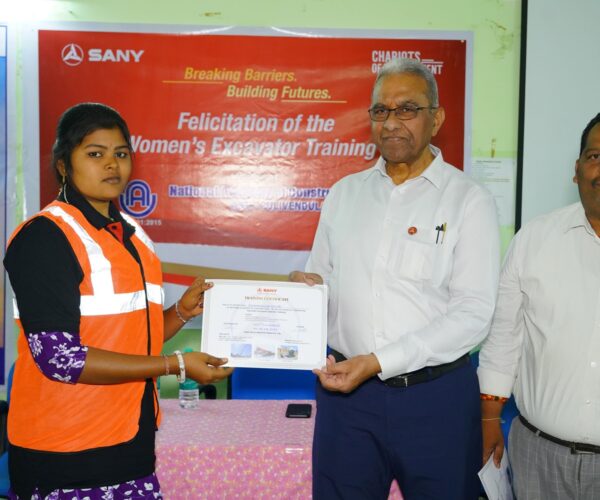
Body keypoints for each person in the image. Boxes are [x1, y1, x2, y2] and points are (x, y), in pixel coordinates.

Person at [290, 57, 500, 499]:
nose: (391, 123)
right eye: (381, 110)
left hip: (435, 400)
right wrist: (305, 295)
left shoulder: (469, 201)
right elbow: (324, 282)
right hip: (348, 402)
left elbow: (473, 314)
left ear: (436, 119)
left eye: (407, 109)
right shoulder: (344, 194)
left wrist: (379, 360)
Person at [3, 102, 233, 499]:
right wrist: (176, 365)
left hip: (129, 444)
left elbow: (135, 339)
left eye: (121, 154)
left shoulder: (132, 235)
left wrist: (181, 313)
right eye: (95, 154)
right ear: (63, 165)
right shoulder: (44, 237)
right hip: (64, 454)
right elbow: (61, 359)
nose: (112, 164)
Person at [478, 112, 600, 499]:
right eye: (595, 156)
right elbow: (503, 340)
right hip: (538, 458)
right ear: (576, 170)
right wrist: (490, 419)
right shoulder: (535, 239)